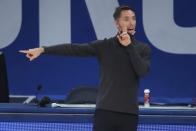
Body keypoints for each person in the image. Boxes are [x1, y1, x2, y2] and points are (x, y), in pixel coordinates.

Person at [20, 5, 151, 131]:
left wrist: (129, 47)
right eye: (126, 19)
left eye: (133, 18)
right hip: (105, 112)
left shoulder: (142, 48)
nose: (131, 22)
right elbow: (74, 49)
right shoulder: (104, 46)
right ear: (117, 23)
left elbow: (142, 71)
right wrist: (43, 49)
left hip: (129, 114)